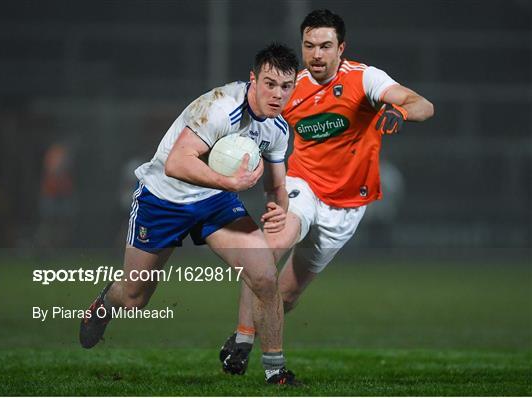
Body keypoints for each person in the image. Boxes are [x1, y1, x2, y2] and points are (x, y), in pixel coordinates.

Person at [219, 9, 434, 374]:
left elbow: (423, 105)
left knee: (286, 296)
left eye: (325, 46)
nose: (316, 54)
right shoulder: (292, 88)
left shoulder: (364, 79)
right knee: (269, 249)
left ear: (341, 48)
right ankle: (242, 339)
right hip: (303, 187)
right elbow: (255, 121)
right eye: (309, 45)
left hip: (347, 208)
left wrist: (400, 111)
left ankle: (249, 329)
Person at [79, 43, 300, 385]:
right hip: (163, 199)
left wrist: (278, 209)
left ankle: (276, 371)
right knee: (135, 298)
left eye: (286, 86)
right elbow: (176, 163)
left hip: (215, 202)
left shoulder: (277, 129)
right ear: (253, 80)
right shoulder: (220, 108)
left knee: (265, 276)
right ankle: (104, 306)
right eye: (269, 83)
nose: (277, 94)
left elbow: (276, 187)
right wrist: (228, 181)